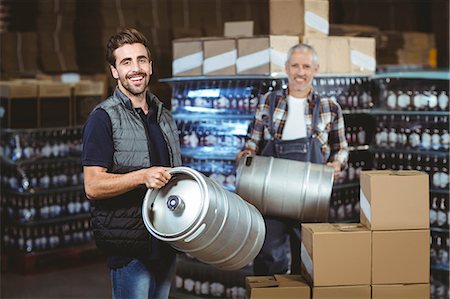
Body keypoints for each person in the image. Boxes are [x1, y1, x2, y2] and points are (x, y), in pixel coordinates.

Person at [82, 28, 182, 299]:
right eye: (126, 62)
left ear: (150, 65)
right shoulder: (103, 119)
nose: (135, 68)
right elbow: (93, 185)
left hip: (166, 240)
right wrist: (141, 176)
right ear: (114, 71)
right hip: (131, 248)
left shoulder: (165, 117)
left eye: (141, 60)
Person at [236, 43, 349, 275]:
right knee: (268, 257)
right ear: (286, 68)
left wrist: (337, 164)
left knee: (309, 260)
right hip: (269, 197)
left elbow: (342, 149)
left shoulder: (330, 107)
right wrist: (246, 154)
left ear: (315, 69)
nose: (300, 72)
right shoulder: (268, 101)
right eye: (295, 65)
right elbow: (253, 141)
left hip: (311, 198)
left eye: (306, 66)